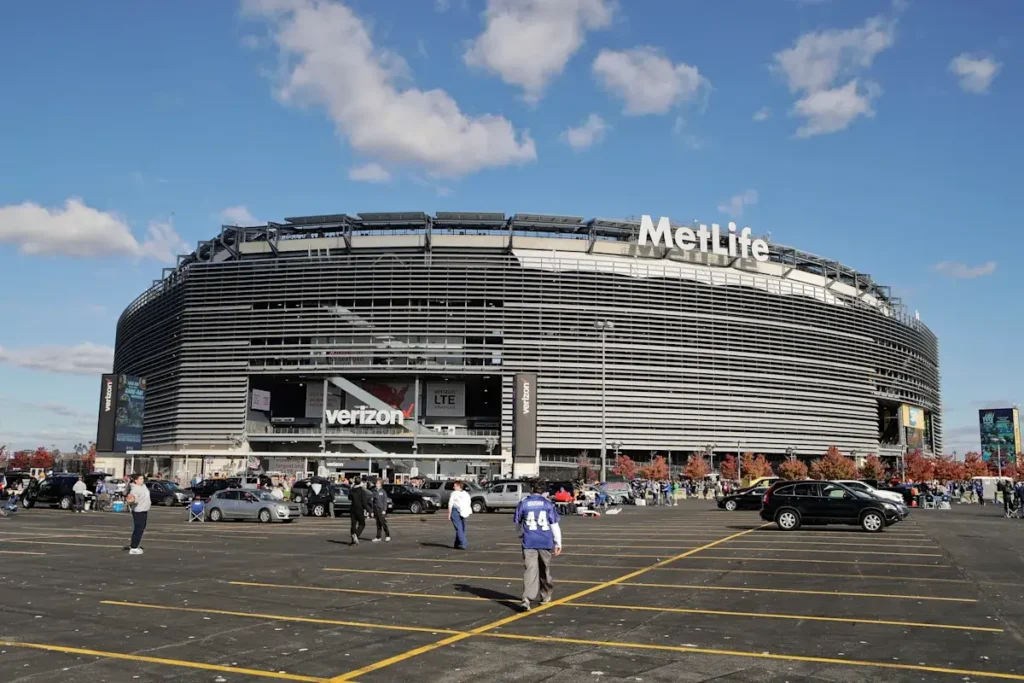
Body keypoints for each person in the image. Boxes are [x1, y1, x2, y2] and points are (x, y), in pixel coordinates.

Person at [514, 481, 563, 611]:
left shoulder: (523, 502)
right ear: (544, 491)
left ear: (532, 489)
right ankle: (545, 594)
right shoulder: (547, 504)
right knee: (544, 569)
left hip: (529, 541)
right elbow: (554, 524)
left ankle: (527, 598)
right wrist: (558, 542)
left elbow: (518, 522)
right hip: (545, 541)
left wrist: (520, 534)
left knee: (530, 569)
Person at [125, 473, 151, 555]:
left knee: (141, 529)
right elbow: (132, 499)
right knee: (138, 529)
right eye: (140, 479)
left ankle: (135, 545)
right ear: (136, 481)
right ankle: (133, 547)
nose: (142, 480)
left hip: (144, 510)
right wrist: (130, 500)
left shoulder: (143, 486)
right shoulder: (135, 489)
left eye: (142, 478)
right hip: (138, 511)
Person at [448, 480, 472, 550]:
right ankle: (460, 543)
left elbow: (450, 503)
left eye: (454, 486)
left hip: (458, 511)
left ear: (458, 486)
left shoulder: (455, 493)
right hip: (460, 511)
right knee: (461, 528)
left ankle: (461, 543)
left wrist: (449, 513)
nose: (453, 487)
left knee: (460, 529)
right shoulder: (465, 494)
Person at [348, 477, 372, 545]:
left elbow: (349, 497)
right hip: (359, 509)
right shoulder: (362, 491)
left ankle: (353, 539)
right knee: (362, 524)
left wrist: (351, 489)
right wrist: (369, 510)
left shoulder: (352, 490)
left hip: (352, 509)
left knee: (353, 524)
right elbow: (364, 503)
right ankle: (356, 535)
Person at [371, 478, 391, 542]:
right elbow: (372, 501)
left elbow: (385, 501)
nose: (376, 484)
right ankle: (378, 537)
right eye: (376, 483)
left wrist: (384, 509)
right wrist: (372, 510)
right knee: (378, 524)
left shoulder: (383, 491)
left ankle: (387, 535)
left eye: (378, 483)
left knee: (383, 523)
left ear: (380, 484)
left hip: (381, 509)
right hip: (376, 509)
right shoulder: (374, 491)